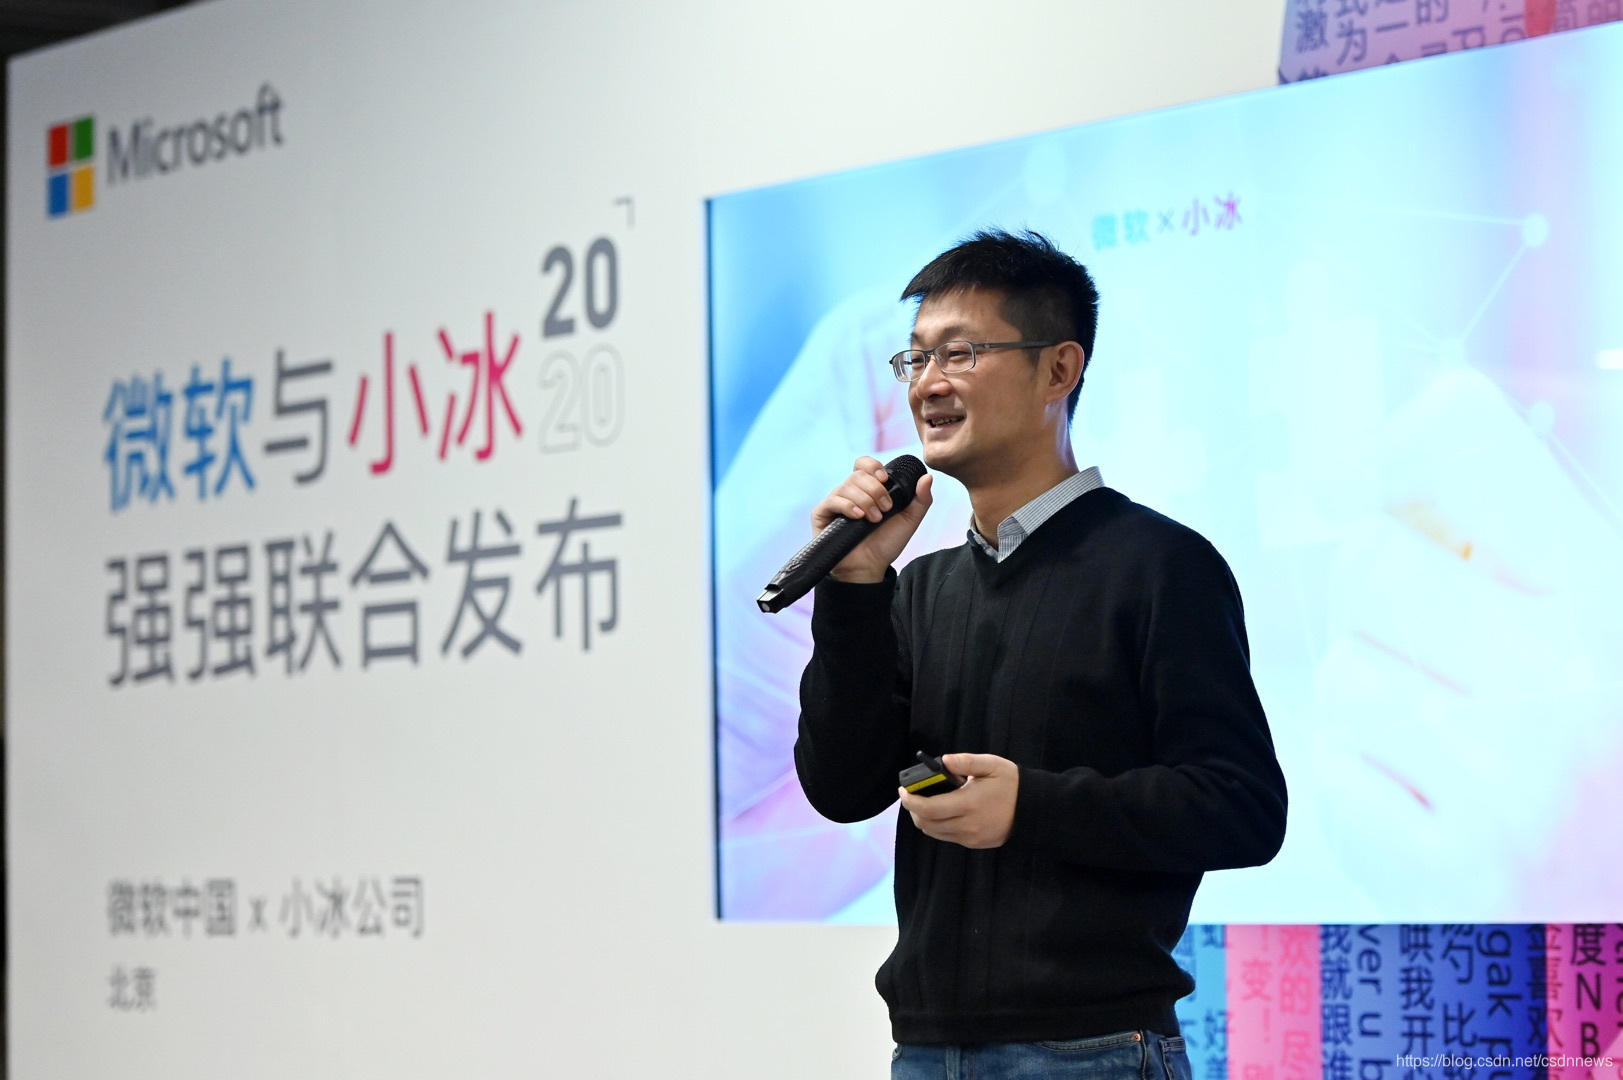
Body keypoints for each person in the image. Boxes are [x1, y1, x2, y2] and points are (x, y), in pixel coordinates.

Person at [793, 229, 1289, 1079]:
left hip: (1090, 1050)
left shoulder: (1159, 565)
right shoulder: (918, 589)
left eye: (960, 352)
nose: (928, 383)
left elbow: (1241, 807)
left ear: (1058, 370)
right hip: (925, 1050)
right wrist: (853, 588)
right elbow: (842, 789)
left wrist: (1033, 808)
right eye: (914, 358)